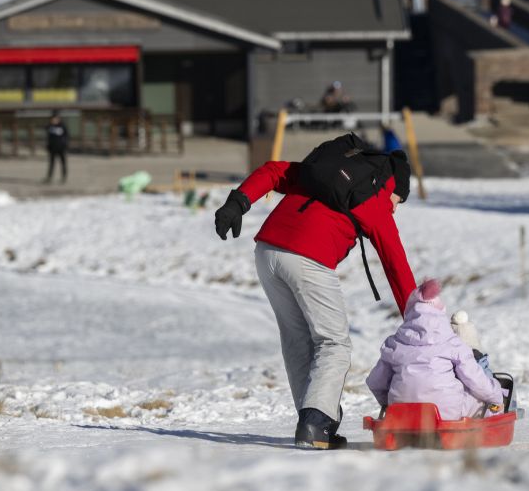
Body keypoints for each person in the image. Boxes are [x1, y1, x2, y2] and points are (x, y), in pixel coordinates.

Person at [213, 142, 417, 449]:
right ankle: (315, 425)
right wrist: (420, 319)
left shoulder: (325, 175)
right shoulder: (375, 200)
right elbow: (396, 267)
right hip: (307, 258)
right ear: (391, 186)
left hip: (267, 251)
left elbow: (273, 170)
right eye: (398, 200)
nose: (396, 208)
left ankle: (315, 420)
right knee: (334, 343)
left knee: (297, 339)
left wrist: (238, 202)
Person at [366, 279, 504, 421]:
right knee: (480, 401)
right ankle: (486, 428)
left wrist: (388, 403)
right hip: (446, 414)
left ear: (409, 312)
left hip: (402, 413)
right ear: (441, 312)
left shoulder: (394, 343)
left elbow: (375, 382)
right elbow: (475, 379)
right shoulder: (452, 343)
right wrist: (496, 396)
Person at [44, 111, 68, 183]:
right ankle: (49, 177)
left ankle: (63, 177)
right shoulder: (50, 127)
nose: (54, 120)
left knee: (63, 163)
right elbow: (48, 137)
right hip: (52, 148)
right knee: (51, 163)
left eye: (56, 118)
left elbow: (67, 136)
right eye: (53, 119)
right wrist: (48, 146)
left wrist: (65, 145)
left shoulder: (63, 126)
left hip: (61, 148)